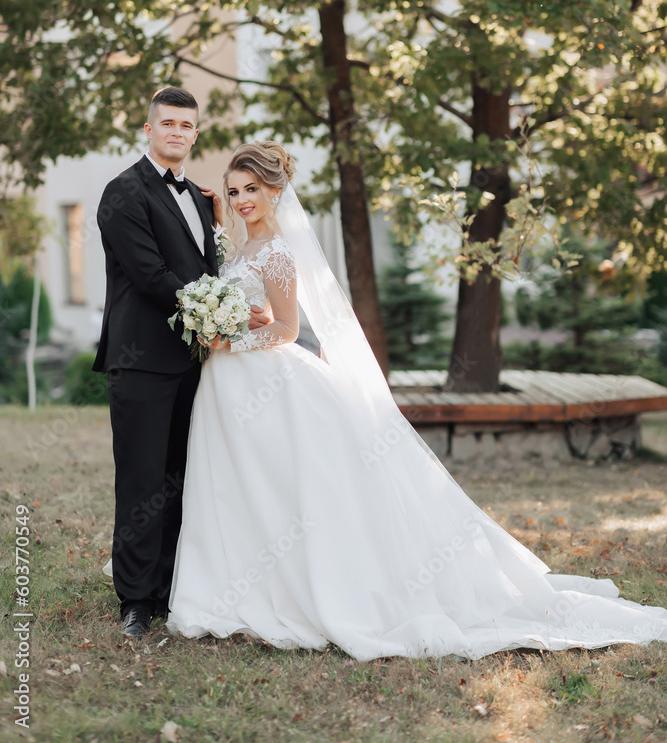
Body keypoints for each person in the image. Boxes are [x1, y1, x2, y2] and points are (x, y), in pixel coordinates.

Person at [167, 141, 667, 660]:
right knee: (244, 488)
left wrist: (232, 339)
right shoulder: (239, 247)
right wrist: (220, 320)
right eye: (234, 190)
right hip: (228, 387)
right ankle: (239, 588)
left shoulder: (276, 251)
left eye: (252, 189)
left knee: (284, 489)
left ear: (275, 190)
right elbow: (261, 313)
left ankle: (310, 592)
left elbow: (289, 331)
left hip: (268, 382)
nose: (243, 198)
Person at [93, 88, 269, 639]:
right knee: (142, 481)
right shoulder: (121, 193)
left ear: (195, 134)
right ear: (149, 130)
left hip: (197, 361)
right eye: (167, 123)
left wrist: (224, 309)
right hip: (141, 359)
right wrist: (226, 312)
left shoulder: (199, 197)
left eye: (186, 126)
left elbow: (212, 266)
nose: (176, 132)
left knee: (181, 480)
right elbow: (149, 276)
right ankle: (137, 600)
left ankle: (172, 587)